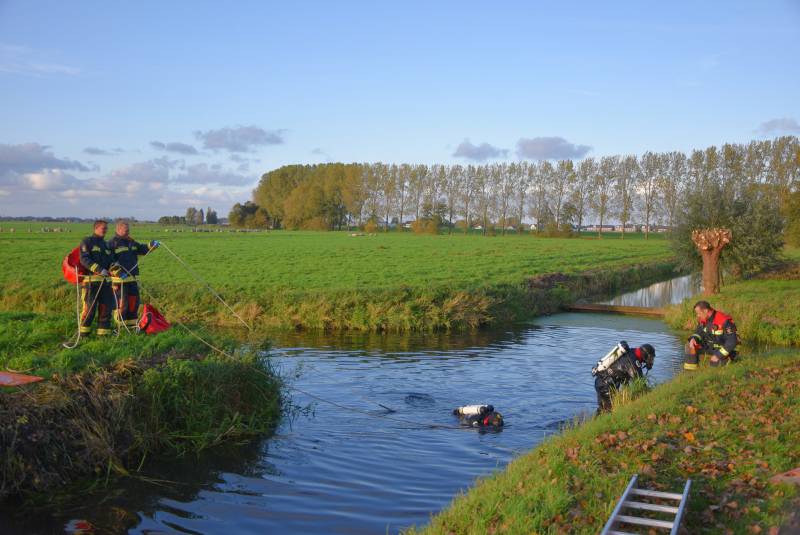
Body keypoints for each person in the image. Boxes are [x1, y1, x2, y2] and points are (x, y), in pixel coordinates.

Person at [107, 219, 159, 329]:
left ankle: (131, 327)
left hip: (132, 279)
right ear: (118, 229)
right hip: (120, 281)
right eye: (125, 230)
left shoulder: (131, 242)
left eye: (128, 230)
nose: (128, 232)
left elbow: (142, 249)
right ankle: (119, 328)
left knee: (133, 304)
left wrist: (151, 245)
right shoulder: (112, 244)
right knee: (122, 304)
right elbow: (108, 261)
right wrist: (118, 272)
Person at [593, 341, 655, 413]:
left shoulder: (632, 351)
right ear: (645, 355)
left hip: (602, 381)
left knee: (603, 409)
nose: (651, 360)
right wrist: (652, 395)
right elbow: (640, 384)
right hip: (605, 386)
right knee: (609, 410)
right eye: (650, 357)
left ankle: (594, 422)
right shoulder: (633, 364)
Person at [77, 220, 114, 336]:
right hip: (91, 282)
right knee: (90, 309)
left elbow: (111, 261)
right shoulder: (87, 241)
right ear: (96, 228)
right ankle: (83, 334)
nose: (106, 230)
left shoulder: (106, 245)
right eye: (103, 228)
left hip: (105, 282)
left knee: (106, 309)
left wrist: (115, 267)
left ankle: (103, 334)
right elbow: (84, 259)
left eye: (106, 228)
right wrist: (99, 269)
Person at [684, 300, 738, 370]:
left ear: (706, 310)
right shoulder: (703, 319)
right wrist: (694, 338)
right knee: (689, 345)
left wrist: (718, 355)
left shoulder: (723, 320)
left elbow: (732, 342)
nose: (698, 315)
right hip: (710, 348)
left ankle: (727, 361)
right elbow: (698, 332)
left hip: (724, 350)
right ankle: (690, 372)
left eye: (699, 313)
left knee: (714, 365)